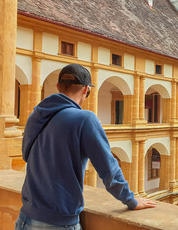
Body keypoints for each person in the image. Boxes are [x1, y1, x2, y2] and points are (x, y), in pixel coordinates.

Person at [15, 64, 156, 230]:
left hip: (25, 218)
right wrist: (130, 200)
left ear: (58, 86)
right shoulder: (85, 119)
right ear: (86, 90)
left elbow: (26, 155)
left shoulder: (36, 115)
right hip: (58, 222)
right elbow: (108, 170)